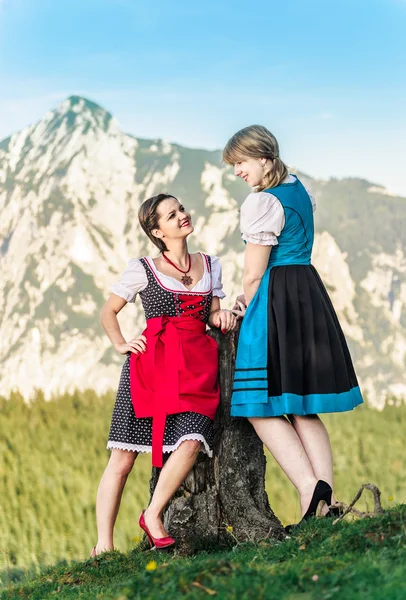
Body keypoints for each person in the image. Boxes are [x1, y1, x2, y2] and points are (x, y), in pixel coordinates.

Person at [223, 125, 363, 530]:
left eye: (241, 162)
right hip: (306, 292)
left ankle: (308, 488)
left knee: (254, 404)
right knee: (302, 405)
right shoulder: (298, 189)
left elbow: (254, 272)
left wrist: (244, 305)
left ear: (264, 158)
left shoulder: (263, 202)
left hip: (275, 299)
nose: (237, 172)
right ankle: (327, 500)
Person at [92, 193, 236, 555]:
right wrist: (121, 344)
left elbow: (212, 315)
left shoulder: (210, 264)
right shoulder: (142, 268)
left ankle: (152, 514)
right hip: (151, 368)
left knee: (192, 440)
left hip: (196, 368)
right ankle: (103, 544)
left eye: (182, 209)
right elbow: (108, 312)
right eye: (172, 215)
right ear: (157, 230)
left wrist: (222, 317)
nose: (183, 216)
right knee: (123, 459)